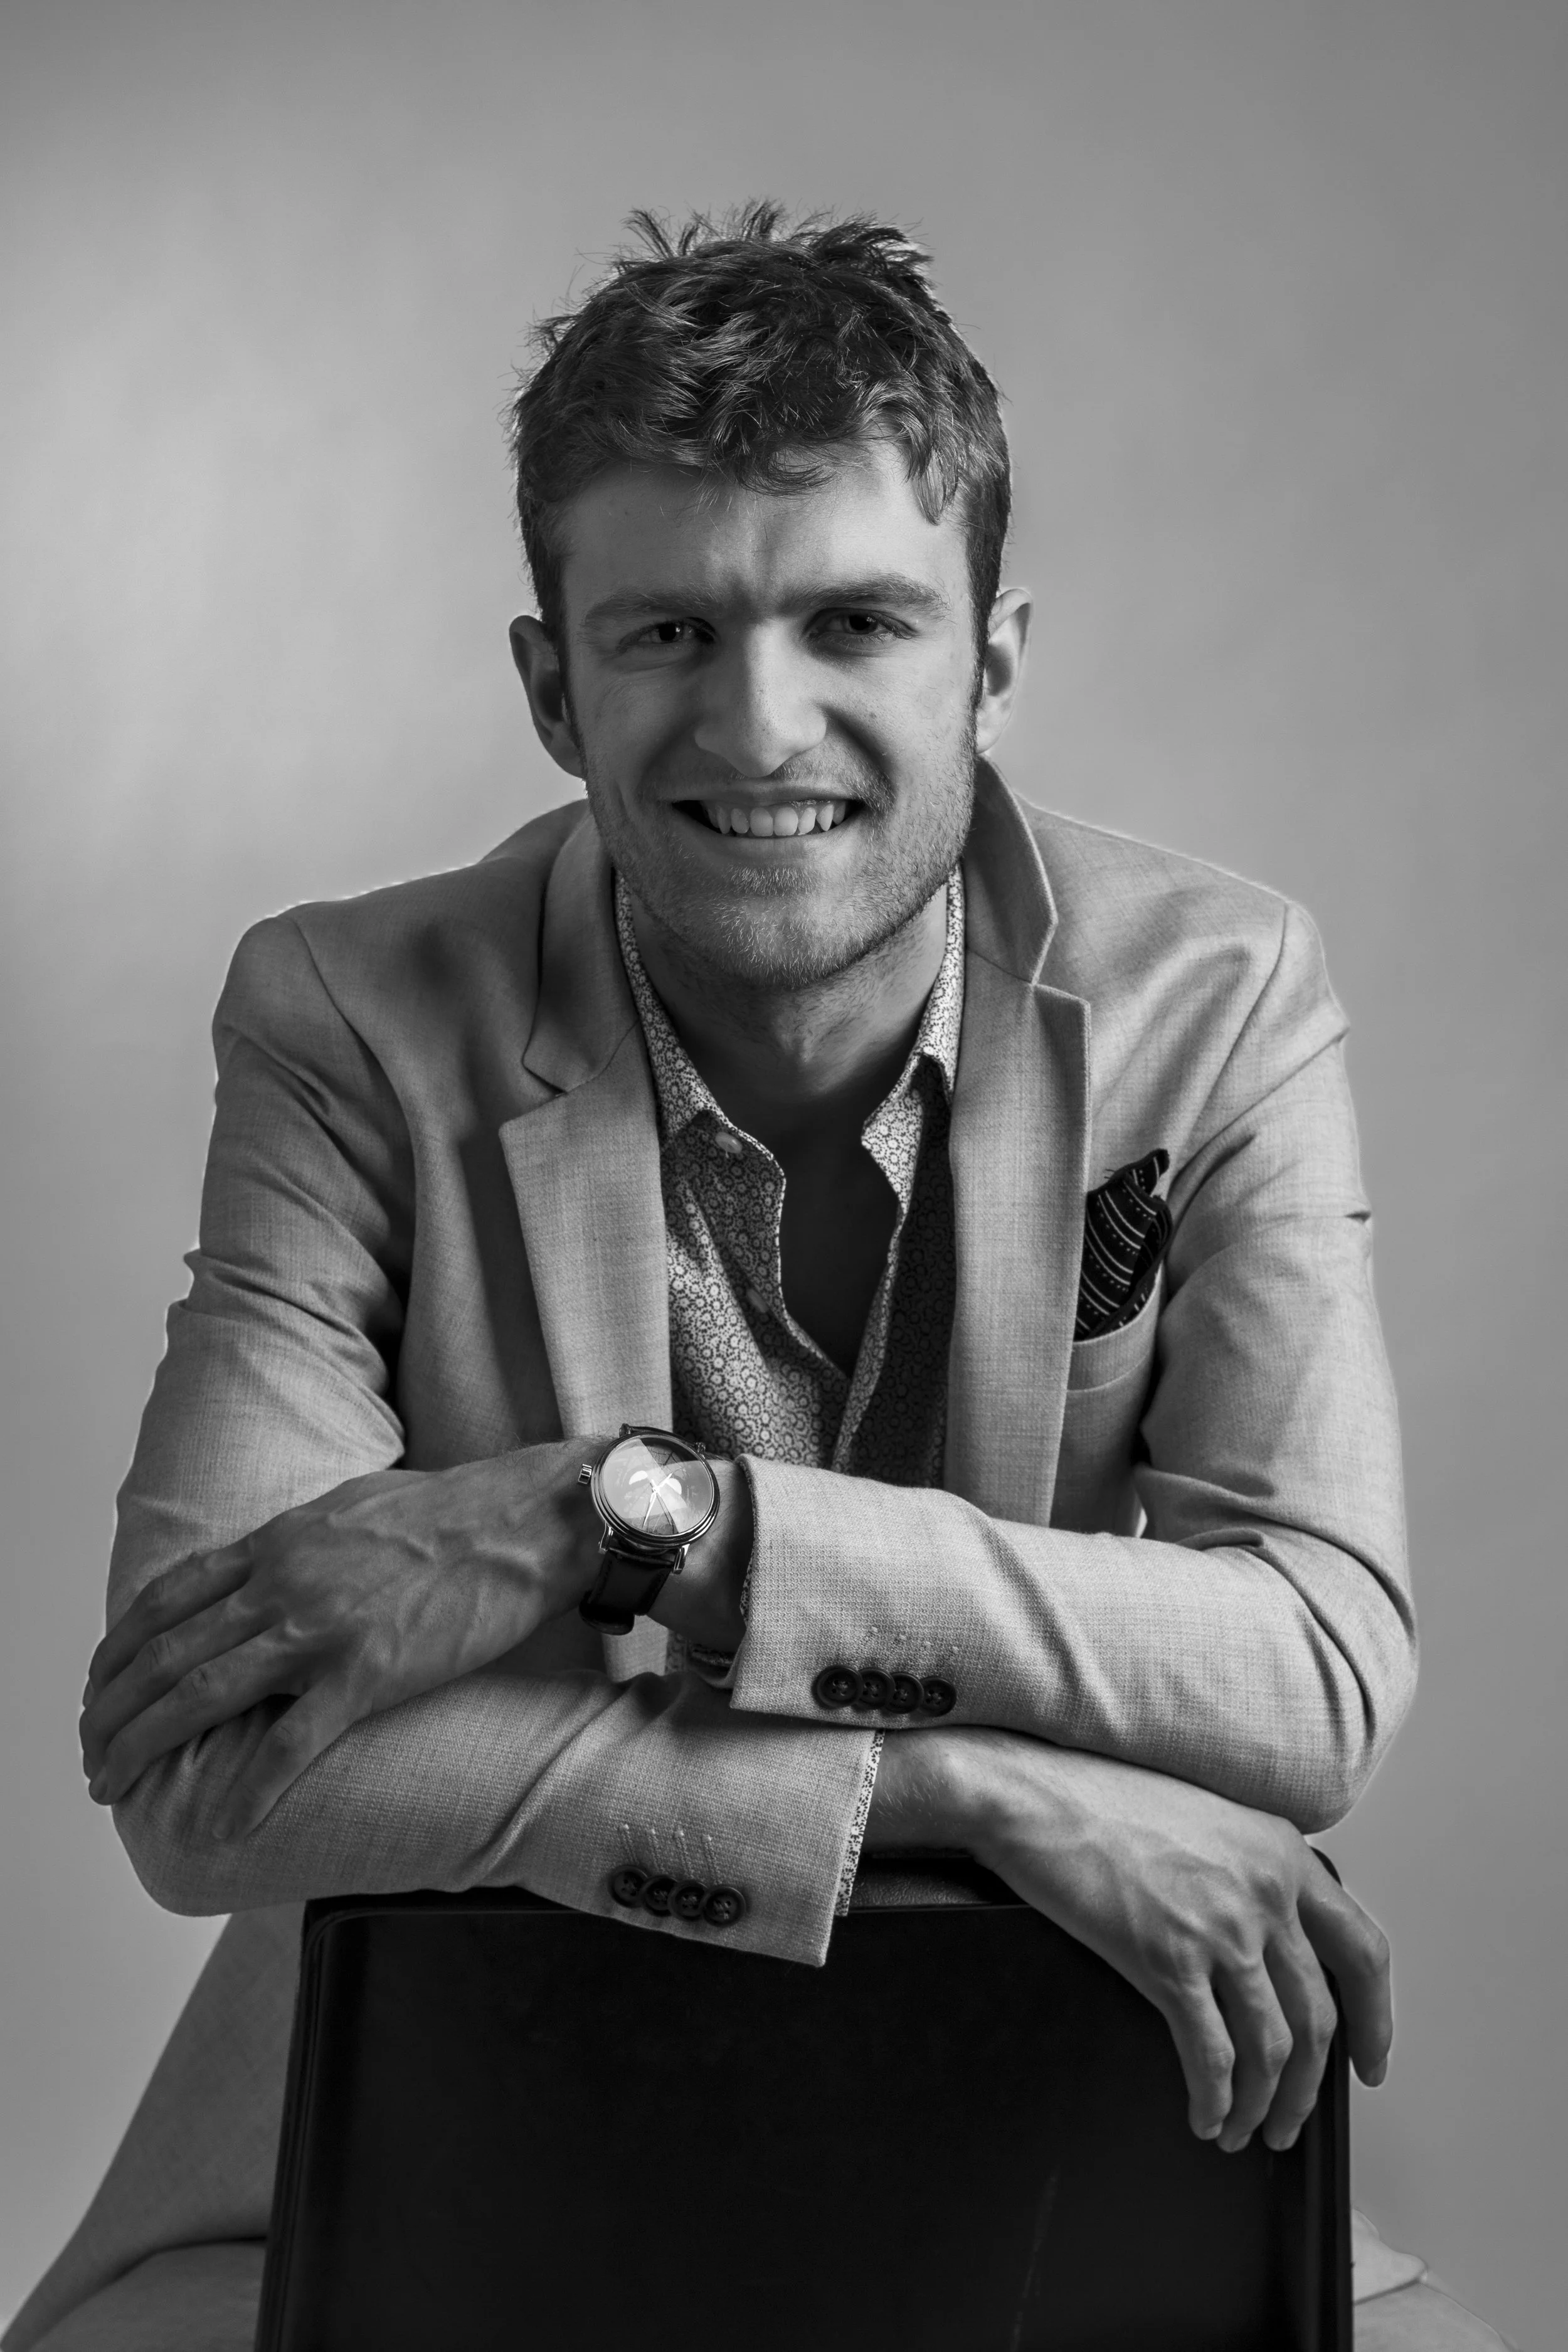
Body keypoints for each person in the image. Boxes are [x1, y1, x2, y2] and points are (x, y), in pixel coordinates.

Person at [13, 206, 1414, 2349]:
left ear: (993, 657)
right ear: (548, 682)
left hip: (1057, 2113)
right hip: (446, 2103)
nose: (761, 727)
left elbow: (1311, 1673)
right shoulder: (345, 1017)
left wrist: (614, 1514)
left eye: (855, 621)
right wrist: (951, 1785)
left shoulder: (1215, 996)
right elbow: (210, 1776)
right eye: (666, 632)